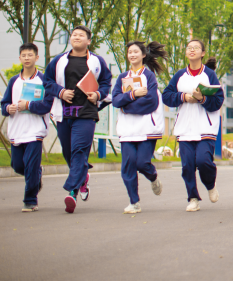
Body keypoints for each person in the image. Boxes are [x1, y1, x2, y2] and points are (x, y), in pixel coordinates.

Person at [44, 25, 112, 213]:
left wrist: (98, 94)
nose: (76, 37)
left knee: (79, 150)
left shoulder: (97, 61)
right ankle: (83, 178)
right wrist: (61, 92)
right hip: (64, 114)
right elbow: (47, 82)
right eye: (74, 35)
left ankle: (72, 192)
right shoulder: (58, 61)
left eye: (81, 35)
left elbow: (106, 82)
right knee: (68, 152)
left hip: (86, 113)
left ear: (88, 41)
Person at [162, 40, 225, 212]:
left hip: (206, 127)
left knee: (204, 161)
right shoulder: (180, 75)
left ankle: (210, 185)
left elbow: (218, 100)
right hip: (185, 128)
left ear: (202, 53)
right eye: (189, 48)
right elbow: (166, 96)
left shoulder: (209, 74)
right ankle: (193, 198)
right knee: (187, 165)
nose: (192, 50)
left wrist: (202, 99)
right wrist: (183, 97)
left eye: (196, 48)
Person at [111, 41, 168, 214]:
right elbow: (116, 100)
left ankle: (153, 177)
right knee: (128, 166)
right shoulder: (122, 78)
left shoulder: (149, 77)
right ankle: (134, 202)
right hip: (127, 130)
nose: (132, 55)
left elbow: (151, 102)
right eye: (129, 52)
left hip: (146, 129)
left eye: (136, 52)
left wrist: (127, 106)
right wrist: (133, 94)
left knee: (142, 162)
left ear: (143, 55)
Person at [1, 43, 51, 212]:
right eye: (24, 55)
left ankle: (30, 200)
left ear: (37, 58)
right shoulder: (14, 80)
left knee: (30, 166)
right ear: (20, 58)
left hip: (35, 131)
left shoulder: (44, 80)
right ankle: (37, 174)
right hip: (16, 130)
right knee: (18, 166)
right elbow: (4, 103)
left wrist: (28, 105)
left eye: (30, 55)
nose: (27, 58)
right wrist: (8, 108)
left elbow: (47, 105)